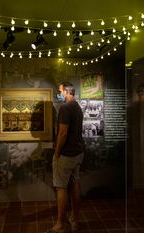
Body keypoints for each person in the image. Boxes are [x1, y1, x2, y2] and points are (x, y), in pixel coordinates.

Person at [48, 81, 84, 233]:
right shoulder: (77, 107)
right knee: (75, 185)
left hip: (66, 154)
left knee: (61, 188)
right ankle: (74, 220)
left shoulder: (65, 107)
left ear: (67, 91)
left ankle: (60, 225)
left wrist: (56, 152)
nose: (59, 93)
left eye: (60, 91)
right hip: (78, 152)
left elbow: (63, 133)